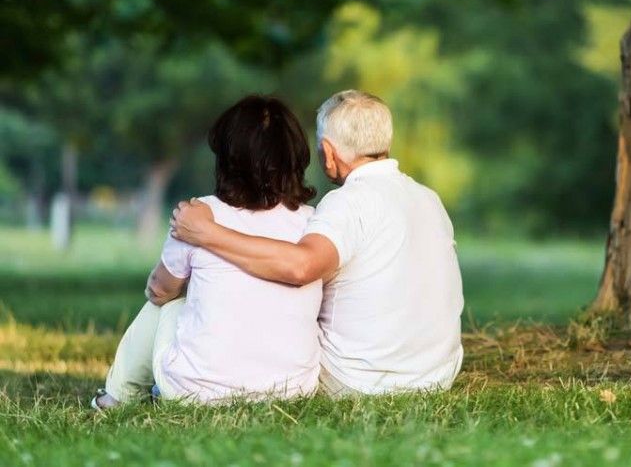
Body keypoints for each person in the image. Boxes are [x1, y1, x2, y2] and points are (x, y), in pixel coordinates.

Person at [171, 90, 464, 398]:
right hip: (437, 374)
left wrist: (207, 233)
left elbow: (301, 267)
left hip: (359, 380)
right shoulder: (429, 199)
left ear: (328, 151)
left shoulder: (348, 202)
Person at [92, 96, 321, 408]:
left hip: (197, 392)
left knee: (168, 302)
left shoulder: (199, 215)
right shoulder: (313, 223)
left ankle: (117, 397)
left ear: (228, 158)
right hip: (292, 390)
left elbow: (159, 291)